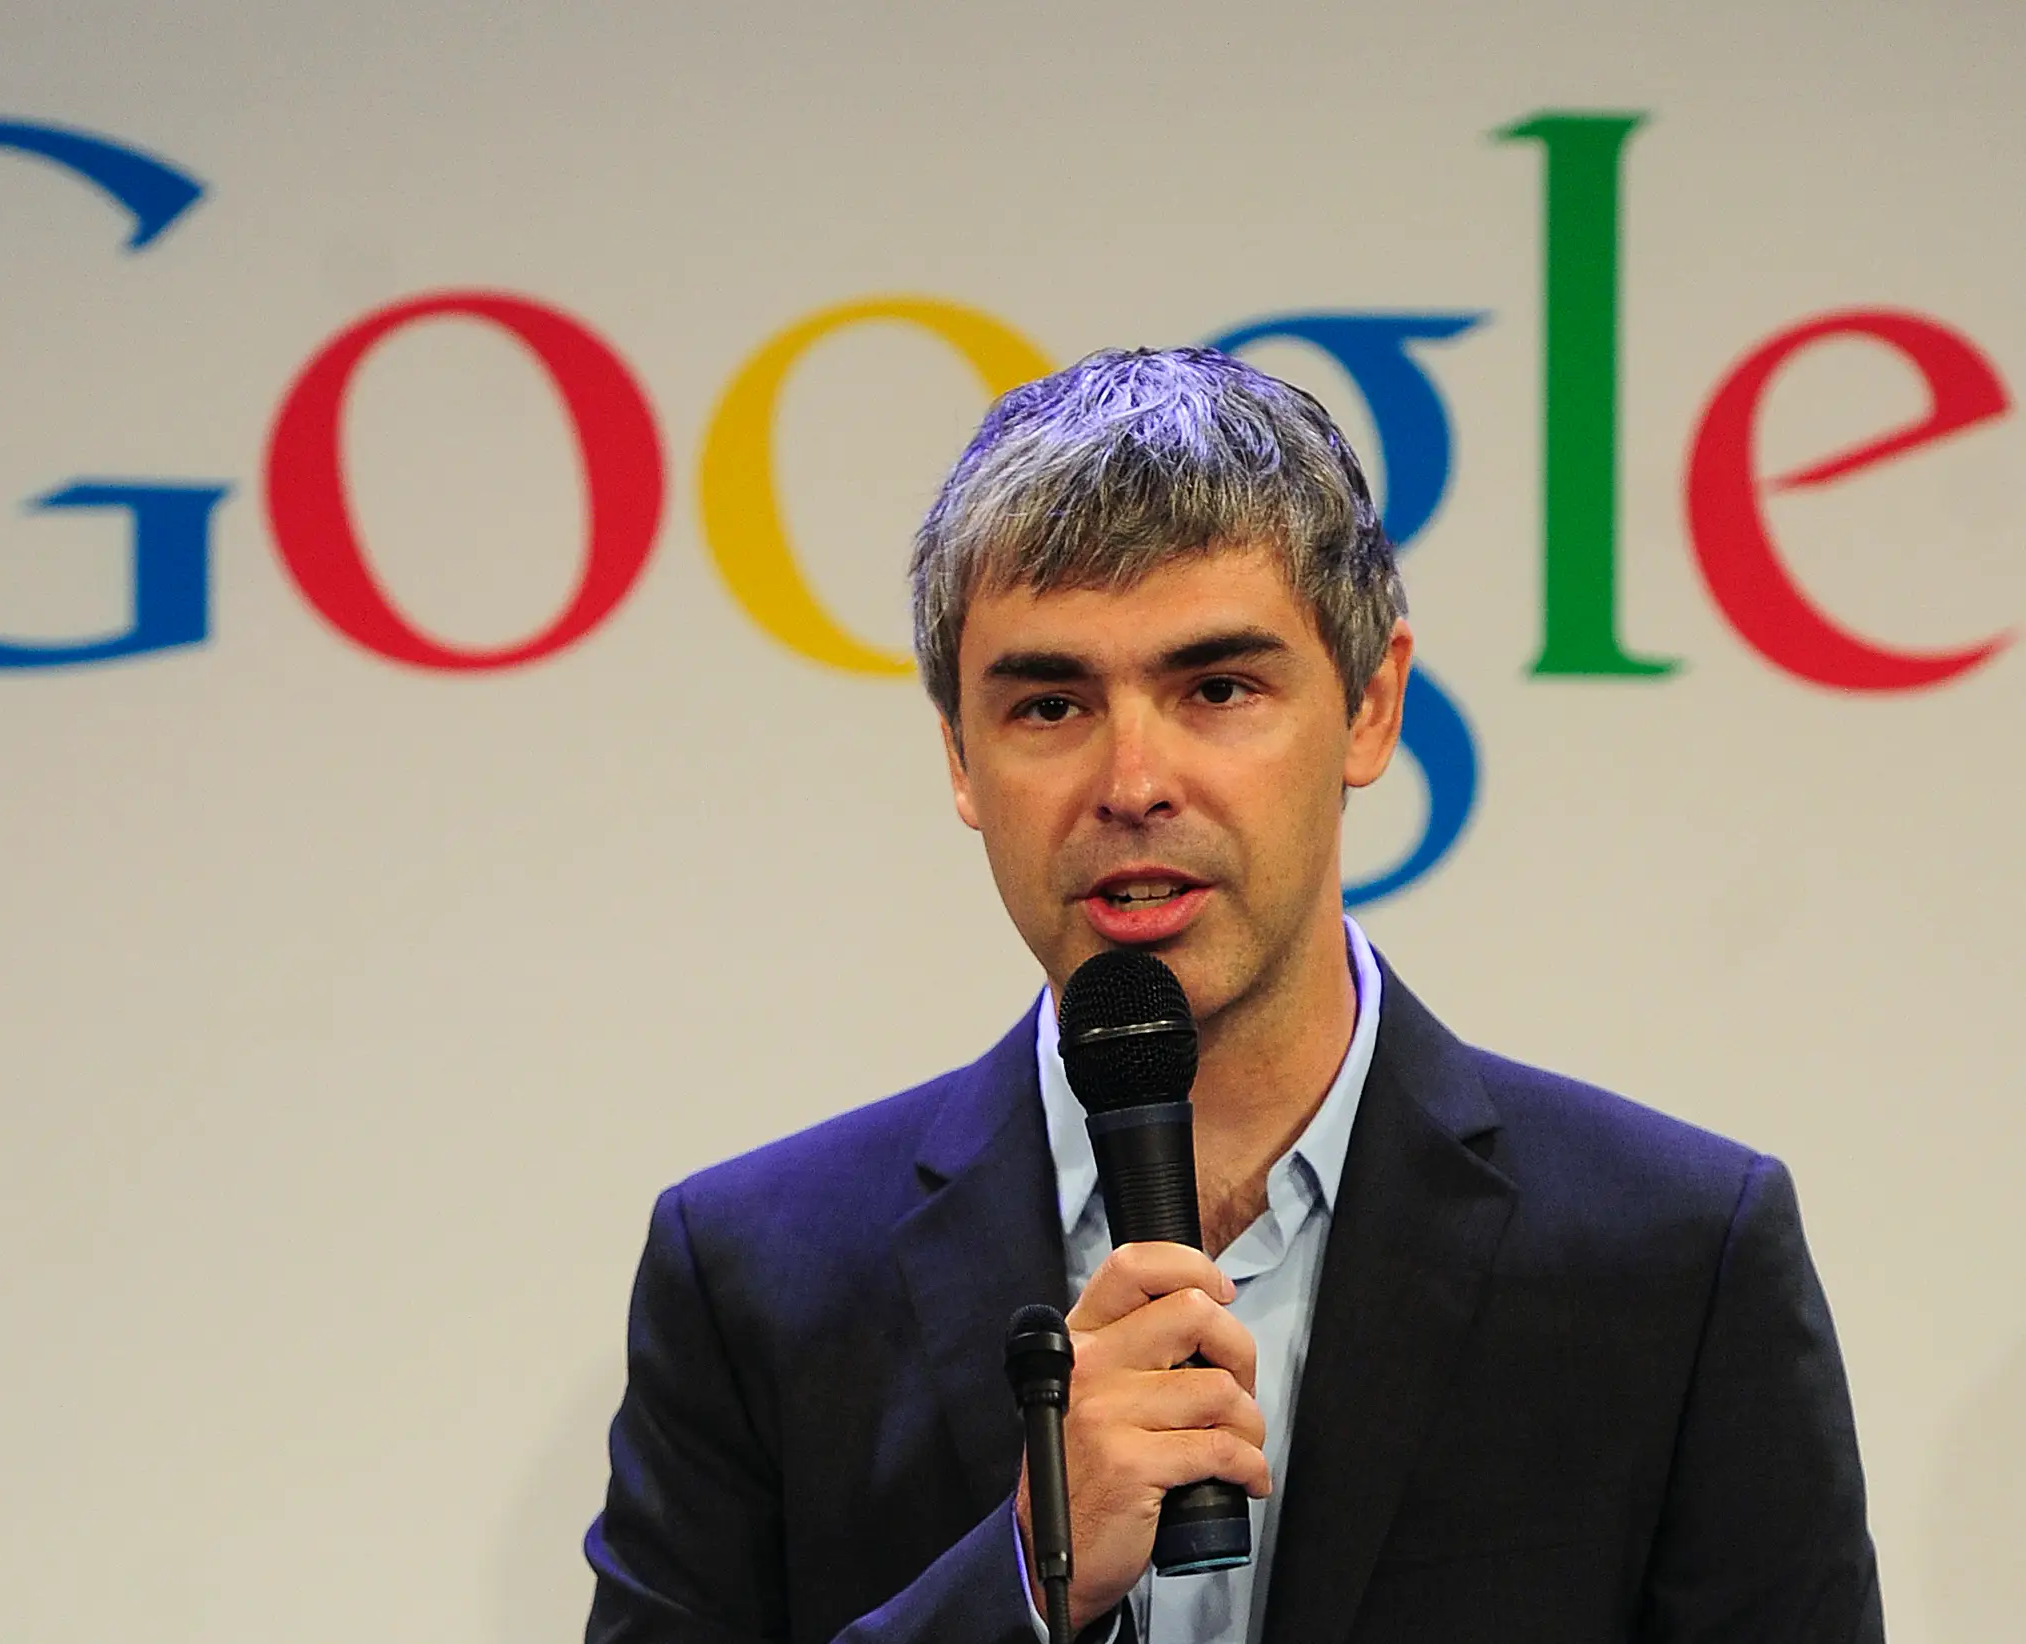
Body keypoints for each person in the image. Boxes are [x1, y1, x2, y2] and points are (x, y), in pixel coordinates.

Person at [583, 348, 1880, 1644]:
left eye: (1217, 689)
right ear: (962, 761)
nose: (1134, 780)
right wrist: (1025, 1581)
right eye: (1049, 704)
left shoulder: (1672, 1260)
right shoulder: (756, 1275)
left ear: (1372, 707)